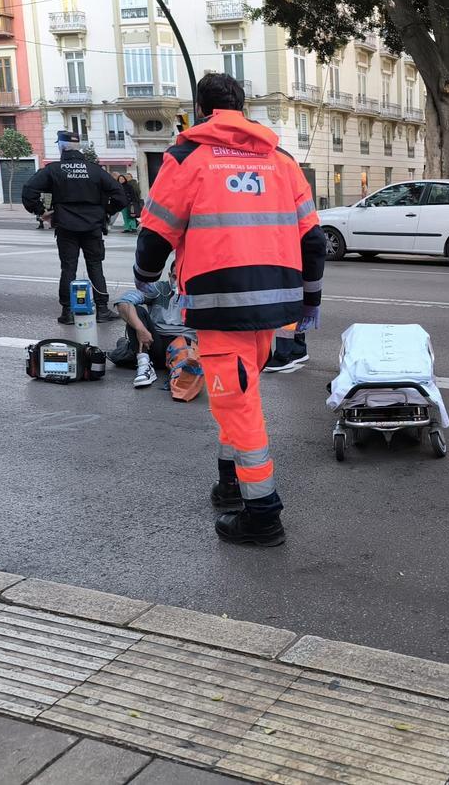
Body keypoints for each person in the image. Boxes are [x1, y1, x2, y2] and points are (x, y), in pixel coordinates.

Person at [134, 72, 327, 547]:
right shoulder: (282, 161)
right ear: (243, 108)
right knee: (236, 395)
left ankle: (263, 515)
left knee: (238, 406)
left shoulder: (187, 158)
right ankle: (230, 484)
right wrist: (310, 300)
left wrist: (144, 279)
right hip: (273, 304)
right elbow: (313, 240)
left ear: (201, 109)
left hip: (220, 305)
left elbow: (155, 236)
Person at [21, 130, 128, 324]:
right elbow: (120, 196)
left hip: (66, 226)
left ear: (61, 147)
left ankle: (68, 311)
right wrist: (105, 211)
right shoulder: (95, 170)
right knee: (95, 266)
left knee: (68, 268)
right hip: (92, 227)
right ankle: (102, 309)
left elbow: (29, 190)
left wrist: (41, 211)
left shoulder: (54, 170)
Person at [111, 265, 203, 398]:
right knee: (135, 311)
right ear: (169, 276)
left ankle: (176, 370)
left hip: (184, 343)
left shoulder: (200, 292)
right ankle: (144, 364)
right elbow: (123, 302)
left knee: (188, 375)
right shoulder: (159, 289)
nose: (177, 282)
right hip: (154, 342)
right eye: (175, 277)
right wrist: (140, 328)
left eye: (182, 277)